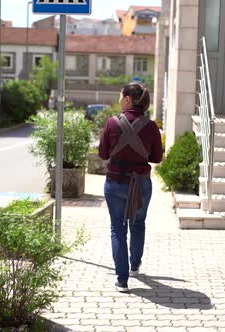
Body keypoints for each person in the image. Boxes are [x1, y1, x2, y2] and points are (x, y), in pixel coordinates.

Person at [98, 83, 163, 292]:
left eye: (120, 96)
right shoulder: (151, 126)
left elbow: (103, 154)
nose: (118, 100)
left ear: (127, 99)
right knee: (138, 224)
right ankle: (135, 265)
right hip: (141, 183)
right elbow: (156, 158)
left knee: (118, 229)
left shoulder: (111, 123)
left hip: (116, 182)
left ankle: (122, 280)